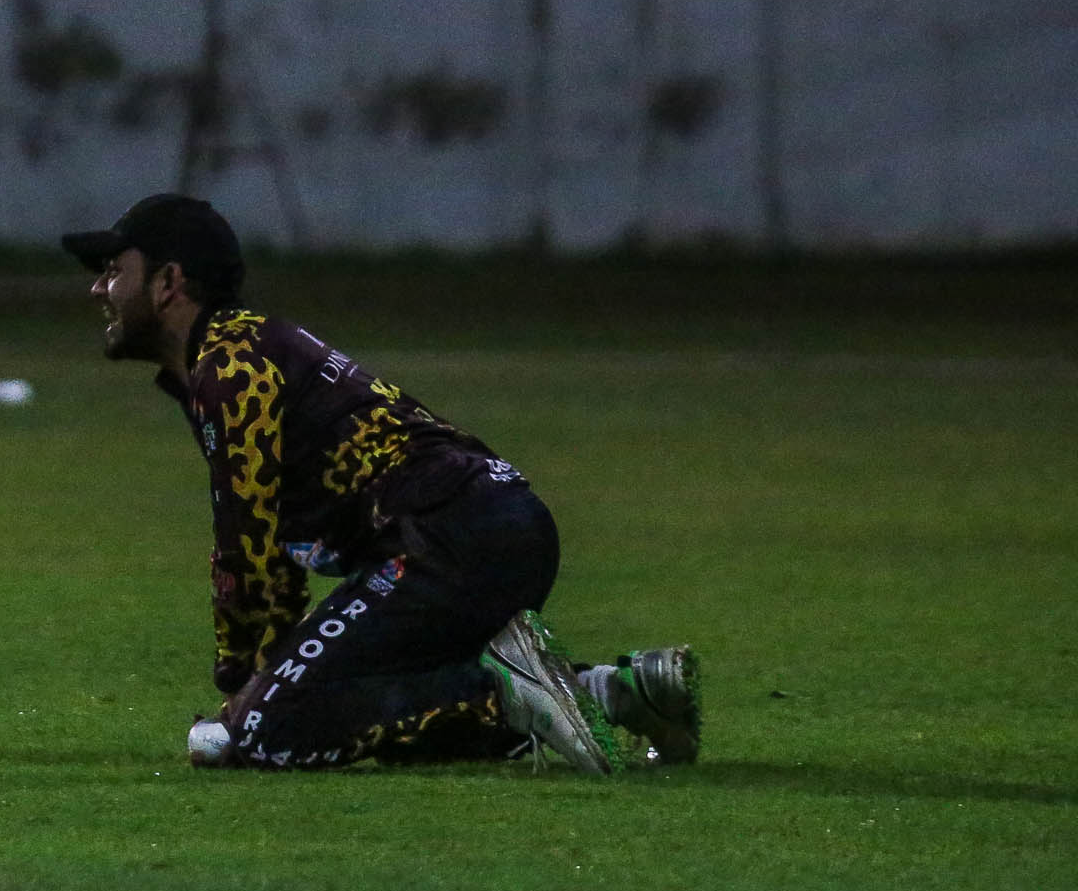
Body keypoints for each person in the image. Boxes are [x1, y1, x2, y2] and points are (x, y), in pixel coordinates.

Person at [61, 193, 700, 772]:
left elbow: (246, 546)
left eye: (114, 271)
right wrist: (266, 675)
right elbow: (274, 558)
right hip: (494, 524)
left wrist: (240, 686)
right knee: (352, 701)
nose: (98, 289)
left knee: (267, 731)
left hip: (446, 539)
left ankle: (508, 696)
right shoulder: (242, 351)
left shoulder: (230, 367)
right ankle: (618, 691)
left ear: (169, 283)